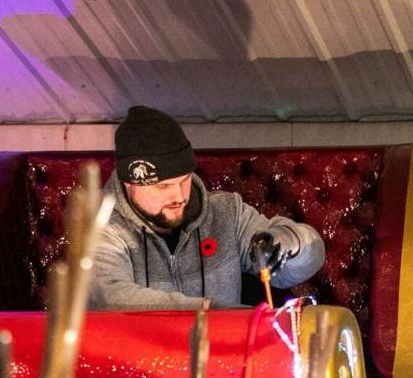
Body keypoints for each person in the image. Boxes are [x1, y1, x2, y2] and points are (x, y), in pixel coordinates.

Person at [89, 106, 324, 310]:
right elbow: (109, 299)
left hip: (224, 349)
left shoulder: (225, 212)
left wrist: (288, 242)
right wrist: (217, 314)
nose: (179, 196)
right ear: (128, 183)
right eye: (163, 186)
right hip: (146, 351)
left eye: (184, 180)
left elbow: (310, 258)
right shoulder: (100, 224)